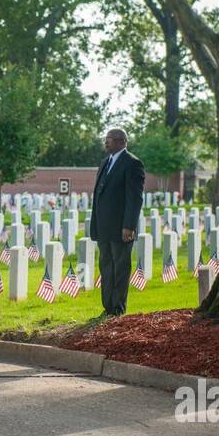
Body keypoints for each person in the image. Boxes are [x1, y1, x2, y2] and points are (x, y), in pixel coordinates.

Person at [88, 128, 146, 317]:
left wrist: (129, 226)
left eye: (109, 139)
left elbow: (134, 198)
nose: (106, 142)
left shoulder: (132, 163)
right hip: (104, 227)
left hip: (121, 228)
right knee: (105, 267)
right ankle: (107, 307)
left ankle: (118, 308)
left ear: (121, 141)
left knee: (120, 268)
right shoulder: (105, 162)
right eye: (105, 139)